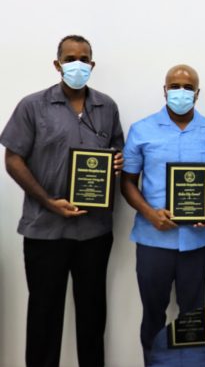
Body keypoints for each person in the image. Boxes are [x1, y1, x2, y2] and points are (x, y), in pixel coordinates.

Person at [0, 35, 124, 367]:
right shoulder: (32, 106)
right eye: (70, 59)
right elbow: (13, 159)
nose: (77, 64)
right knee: (44, 317)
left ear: (92, 65)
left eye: (84, 59)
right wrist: (48, 201)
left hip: (94, 232)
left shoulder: (107, 107)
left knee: (92, 316)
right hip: (45, 230)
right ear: (57, 65)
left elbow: (117, 152)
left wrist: (116, 161)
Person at [120, 64, 205, 358]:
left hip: (196, 241)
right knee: (153, 316)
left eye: (188, 87)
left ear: (197, 93)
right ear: (165, 90)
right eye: (175, 86)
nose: (181, 92)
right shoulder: (141, 130)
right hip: (152, 239)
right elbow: (127, 182)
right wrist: (149, 213)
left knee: (193, 317)